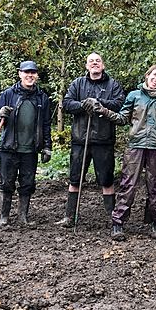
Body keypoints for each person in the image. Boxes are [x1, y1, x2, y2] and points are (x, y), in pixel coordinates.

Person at [95, 64, 156, 240]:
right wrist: (103, 110)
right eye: (154, 75)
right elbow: (123, 118)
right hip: (135, 145)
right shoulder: (134, 95)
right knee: (128, 184)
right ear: (147, 75)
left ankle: (155, 223)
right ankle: (118, 223)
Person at [56, 52, 125, 227]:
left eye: (98, 61)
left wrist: (99, 103)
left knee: (107, 180)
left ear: (103, 65)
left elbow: (119, 104)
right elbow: (66, 103)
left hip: (104, 140)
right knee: (75, 179)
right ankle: (69, 216)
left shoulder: (113, 84)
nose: (94, 63)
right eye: (91, 61)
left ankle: (113, 219)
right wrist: (83, 105)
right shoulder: (77, 84)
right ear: (86, 66)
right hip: (80, 140)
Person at [0, 61, 52, 227]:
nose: (30, 75)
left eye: (33, 72)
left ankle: (22, 217)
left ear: (37, 75)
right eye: (27, 72)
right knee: (6, 183)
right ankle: (4, 217)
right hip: (9, 148)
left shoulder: (42, 98)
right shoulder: (8, 94)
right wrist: (1, 114)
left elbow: (46, 124)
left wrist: (47, 147)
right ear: (20, 74)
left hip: (31, 149)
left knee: (27, 184)